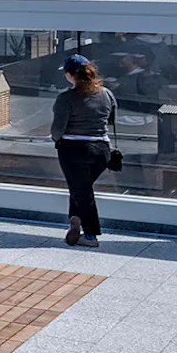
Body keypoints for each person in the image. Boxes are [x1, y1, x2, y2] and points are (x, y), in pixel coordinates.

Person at [52, 53, 116, 247]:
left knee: (82, 192)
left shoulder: (66, 98)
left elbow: (58, 128)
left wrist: (57, 140)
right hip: (102, 151)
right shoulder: (106, 93)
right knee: (80, 188)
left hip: (74, 150)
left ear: (71, 75)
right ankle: (75, 218)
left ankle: (90, 236)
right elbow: (111, 119)